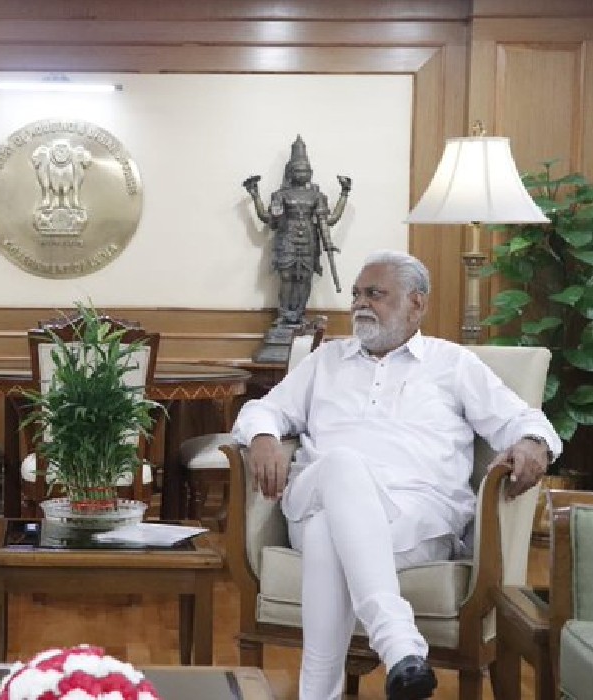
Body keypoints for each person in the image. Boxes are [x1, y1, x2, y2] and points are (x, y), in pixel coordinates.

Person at [231, 250, 560, 700]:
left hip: (413, 519)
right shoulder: (326, 361)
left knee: (332, 531)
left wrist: (532, 444)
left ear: (416, 304)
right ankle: (398, 641)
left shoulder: (452, 365)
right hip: (314, 495)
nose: (360, 304)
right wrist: (264, 436)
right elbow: (262, 409)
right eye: (357, 294)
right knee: (344, 464)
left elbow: (527, 420)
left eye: (376, 294)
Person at [243, 135, 351, 326]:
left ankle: (299, 313)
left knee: (304, 278)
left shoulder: (317, 196)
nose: (302, 173)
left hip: (309, 240)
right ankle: (285, 314)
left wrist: (344, 194)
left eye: (305, 170)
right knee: (286, 277)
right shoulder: (280, 195)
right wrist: (256, 195)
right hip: (286, 239)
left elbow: (330, 220)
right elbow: (268, 219)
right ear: (290, 172)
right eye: (297, 170)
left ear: (311, 172)